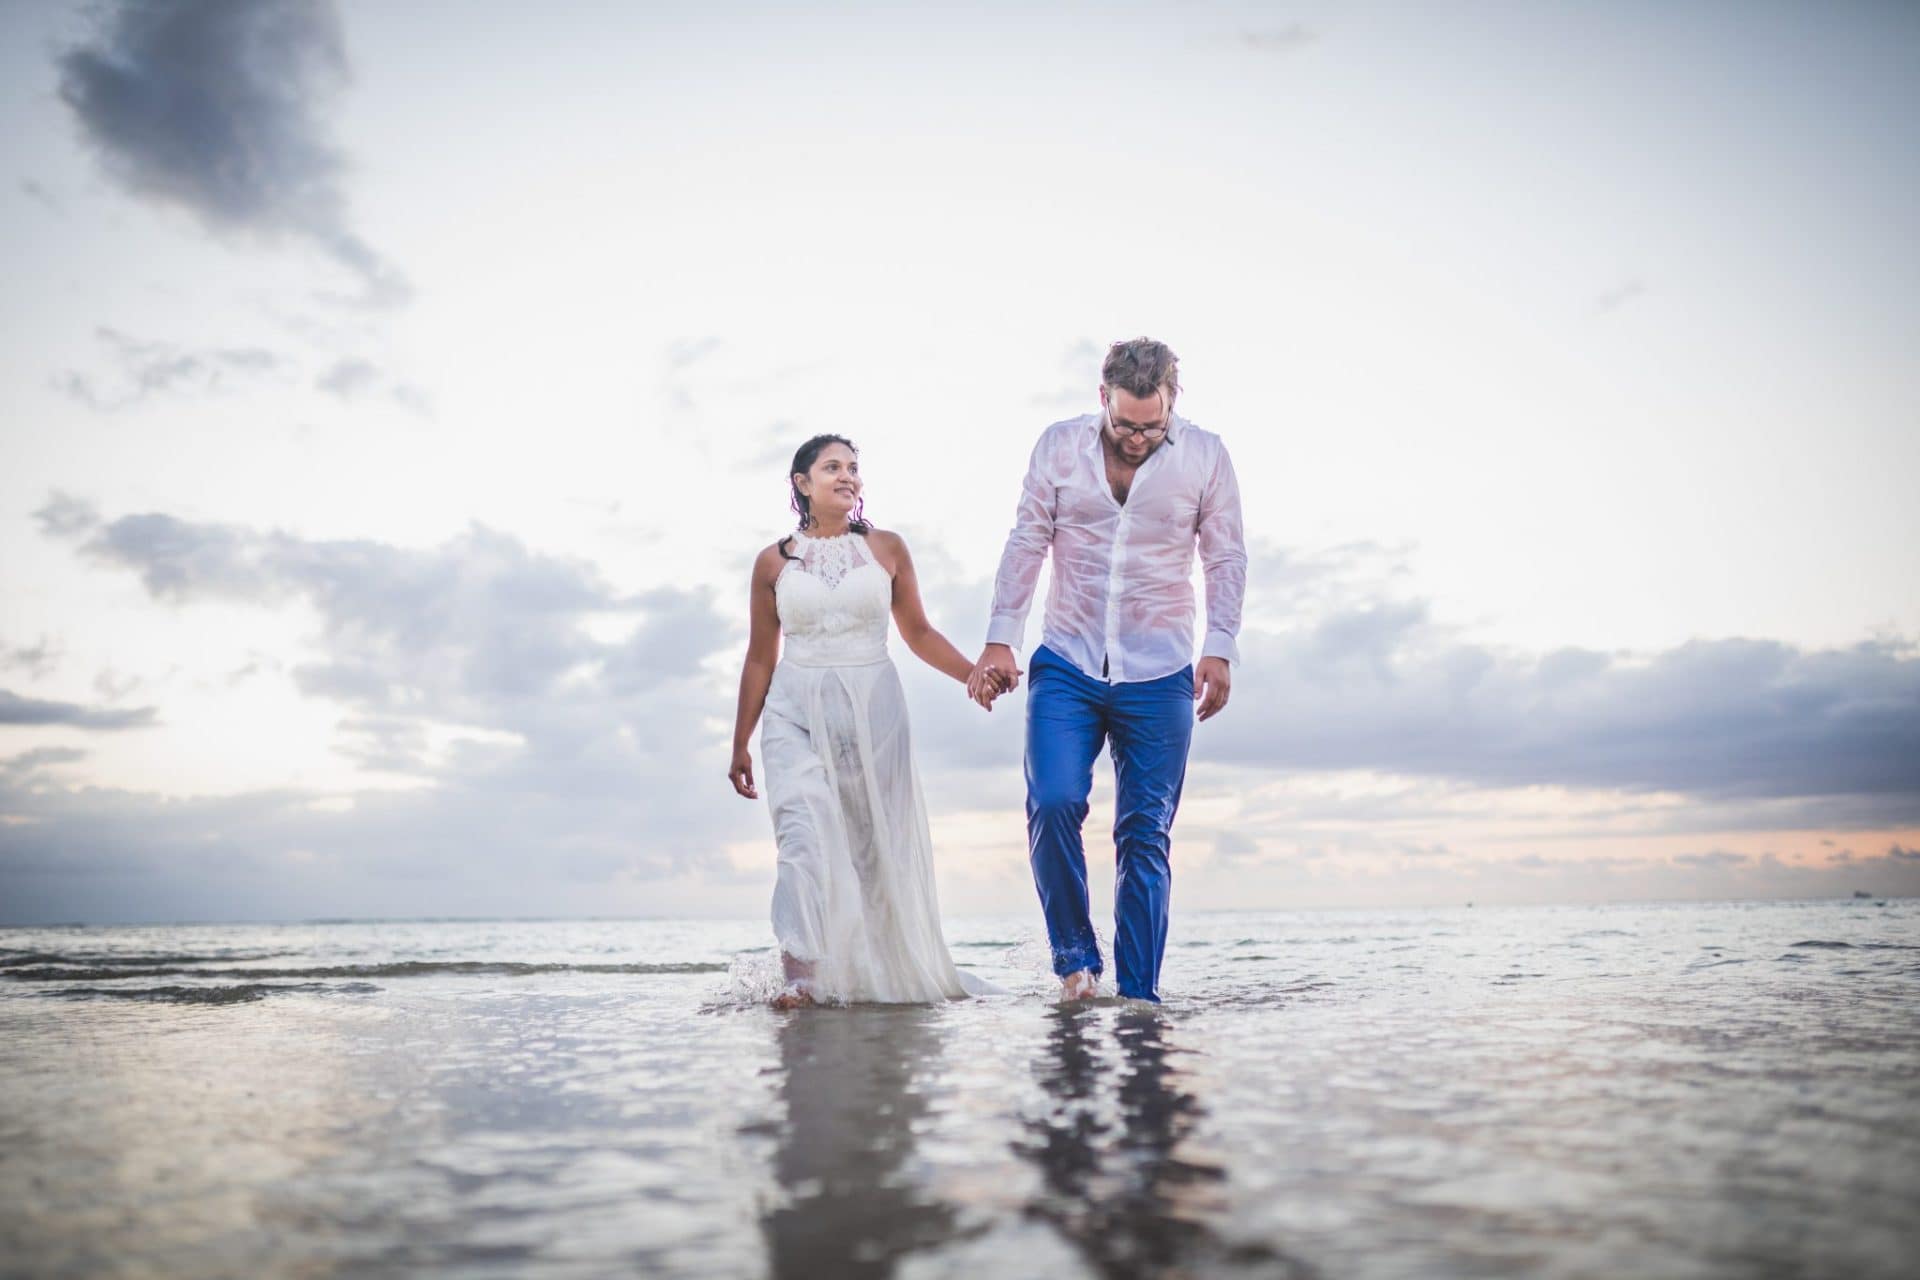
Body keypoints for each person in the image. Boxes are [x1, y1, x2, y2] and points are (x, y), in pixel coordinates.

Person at [968, 337, 1246, 1003]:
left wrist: (1222, 645)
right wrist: (1001, 636)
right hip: (1066, 658)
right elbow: (1028, 538)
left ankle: (1140, 996)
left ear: (1172, 405)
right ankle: (1074, 962)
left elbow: (1226, 556)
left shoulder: (1205, 456)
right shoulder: (1059, 448)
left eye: (1153, 426)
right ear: (1102, 400)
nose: (1138, 438)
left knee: (1145, 833)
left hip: (1161, 669)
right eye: (1125, 424)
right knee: (1056, 800)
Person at [730, 433, 1009, 1008]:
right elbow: (761, 655)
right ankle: (801, 977)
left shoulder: (886, 549)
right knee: (802, 836)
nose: (848, 476)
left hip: (873, 708)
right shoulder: (772, 563)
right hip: (793, 709)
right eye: (832, 467)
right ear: (802, 483)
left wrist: (973, 674)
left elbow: (920, 633)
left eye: (854, 468)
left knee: (872, 845)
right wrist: (740, 744)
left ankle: (873, 970)